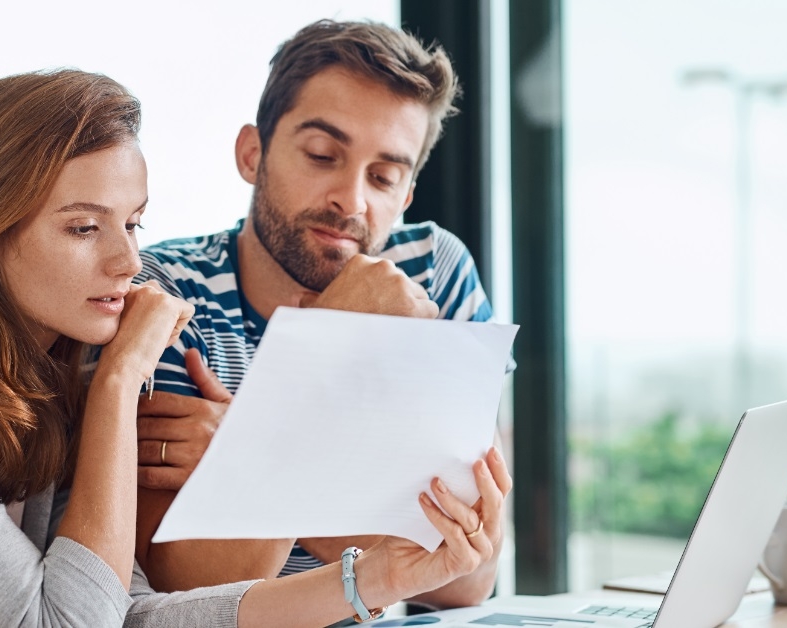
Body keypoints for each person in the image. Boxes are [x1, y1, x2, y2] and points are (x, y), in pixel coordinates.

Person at [0, 69, 509, 627]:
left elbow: (126, 611)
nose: (130, 263)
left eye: (132, 223)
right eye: (82, 227)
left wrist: (371, 580)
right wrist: (121, 384)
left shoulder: (59, 365)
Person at [133, 19, 513, 610]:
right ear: (252, 154)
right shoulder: (167, 294)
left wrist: (242, 447)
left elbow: (466, 575)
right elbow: (190, 588)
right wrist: (327, 342)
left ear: (407, 193)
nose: (352, 200)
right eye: (321, 155)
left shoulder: (433, 271)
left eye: (384, 176)